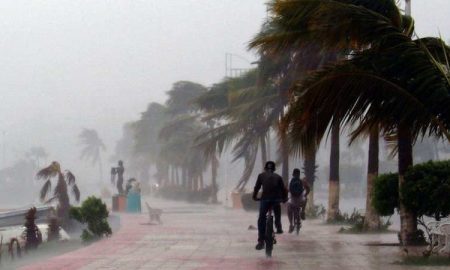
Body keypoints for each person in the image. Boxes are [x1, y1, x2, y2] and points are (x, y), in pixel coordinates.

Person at [252, 161, 288, 250]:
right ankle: (278, 226)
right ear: (274, 169)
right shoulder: (278, 177)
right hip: (276, 199)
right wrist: (284, 199)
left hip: (265, 199)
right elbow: (283, 190)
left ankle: (261, 241)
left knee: (261, 218)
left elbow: (257, 187)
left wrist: (254, 197)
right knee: (277, 211)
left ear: (265, 168)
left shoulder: (261, 176)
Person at [287, 168, 311, 233]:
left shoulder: (290, 181)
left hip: (292, 201)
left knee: (289, 210)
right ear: (299, 174)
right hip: (301, 201)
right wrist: (305, 195)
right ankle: (303, 212)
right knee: (305, 199)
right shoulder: (302, 181)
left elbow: (287, 190)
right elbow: (308, 188)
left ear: (293, 174)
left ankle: (291, 224)